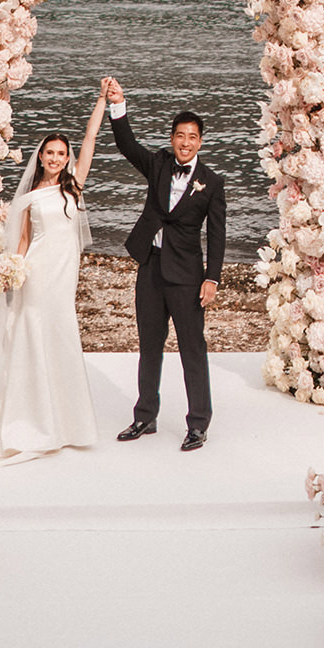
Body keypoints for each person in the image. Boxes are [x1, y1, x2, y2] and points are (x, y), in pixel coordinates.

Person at [0, 82, 109, 467]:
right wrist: (13, 270)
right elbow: (24, 239)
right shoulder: (29, 197)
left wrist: (101, 101)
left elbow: (91, 138)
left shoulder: (74, 185)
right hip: (39, 272)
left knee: (61, 332)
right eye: (50, 153)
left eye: (62, 153)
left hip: (66, 275)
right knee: (34, 332)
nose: (56, 158)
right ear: (41, 157)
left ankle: (67, 422)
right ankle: (33, 419)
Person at [103, 75, 226, 451]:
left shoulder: (212, 182)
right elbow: (126, 144)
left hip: (188, 276)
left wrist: (212, 279)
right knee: (149, 345)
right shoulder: (157, 164)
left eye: (192, 137)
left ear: (200, 141)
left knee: (192, 349)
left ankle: (198, 423)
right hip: (151, 267)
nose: (185, 143)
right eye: (179, 136)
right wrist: (118, 103)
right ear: (172, 139)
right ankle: (145, 416)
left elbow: (218, 235)